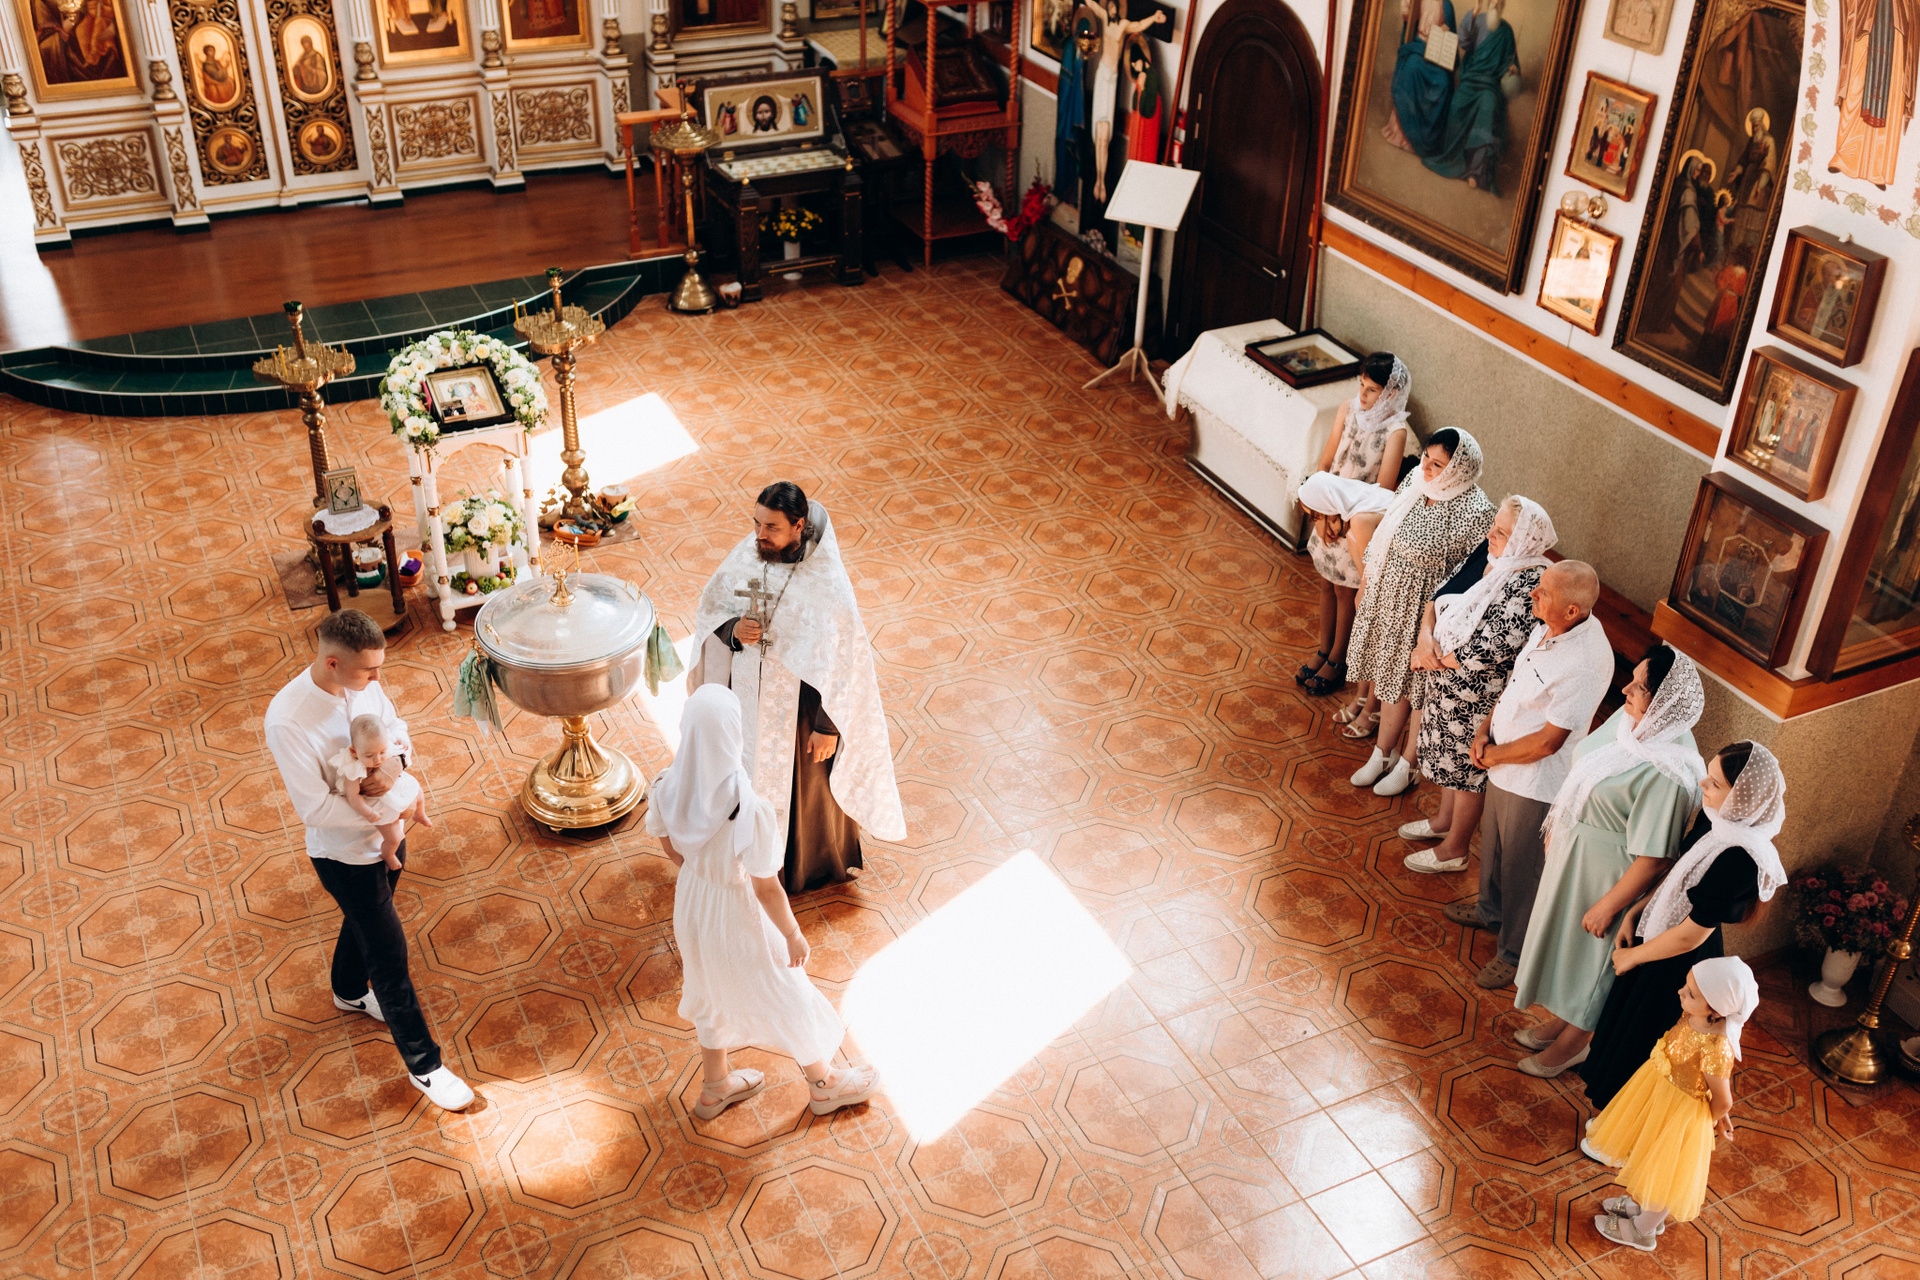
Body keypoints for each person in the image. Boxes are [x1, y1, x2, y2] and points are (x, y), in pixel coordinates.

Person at [262, 609, 473, 1110]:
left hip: (387, 837)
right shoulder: (288, 720)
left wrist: (396, 765)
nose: (378, 679)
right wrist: (391, 808)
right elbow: (314, 808)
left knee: (365, 922)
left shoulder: (363, 683)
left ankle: (348, 990)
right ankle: (426, 1067)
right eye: (369, 670)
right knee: (389, 955)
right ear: (332, 662)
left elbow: (396, 727)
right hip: (343, 857)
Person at [650, 685, 881, 1119]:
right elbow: (766, 888)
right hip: (739, 915)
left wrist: (703, 871)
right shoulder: (748, 810)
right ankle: (825, 1084)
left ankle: (715, 1087)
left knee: (707, 988)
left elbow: (671, 849)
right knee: (786, 991)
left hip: (693, 906)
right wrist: (792, 934)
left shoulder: (665, 786)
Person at [690, 482, 905, 893]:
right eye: (756, 523)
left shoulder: (826, 581)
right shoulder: (749, 554)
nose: (760, 535)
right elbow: (711, 610)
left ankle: (797, 868)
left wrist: (827, 726)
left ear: (799, 526)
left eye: (771, 527)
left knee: (805, 794)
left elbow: (846, 660)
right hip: (746, 695)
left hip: (801, 710)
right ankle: (742, 854)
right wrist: (733, 629)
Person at [1508, 646, 1706, 1077]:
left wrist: (1608, 907)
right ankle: (1563, 1022)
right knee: (1568, 953)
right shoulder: (1633, 723)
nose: (1625, 690)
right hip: (1576, 861)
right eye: (1631, 679)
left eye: (1639, 687)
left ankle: (1573, 1045)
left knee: (1594, 965)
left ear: (1665, 702)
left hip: (1610, 875)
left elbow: (1654, 858)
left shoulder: (1668, 772)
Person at [1577, 741, 1785, 1109]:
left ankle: (1619, 1119)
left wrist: (1634, 957)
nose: (1703, 784)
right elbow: (1677, 873)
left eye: (1715, 783)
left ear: (1743, 799)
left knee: (1642, 1039)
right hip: (1655, 932)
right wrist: (1635, 911)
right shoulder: (1713, 817)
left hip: (1678, 959)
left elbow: (1690, 935)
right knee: (1620, 1023)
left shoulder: (1742, 858)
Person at [1442, 560, 1613, 989]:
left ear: (1572, 610)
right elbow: (1516, 686)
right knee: (1495, 849)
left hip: (1536, 781)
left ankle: (1514, 952)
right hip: (1503, 762)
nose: (1533, 594)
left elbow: (1548, 742)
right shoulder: (1549, 626)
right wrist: (1485, 729)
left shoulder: (1586, 660)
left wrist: (1493, 755)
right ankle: (1489, 911)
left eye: (1544, 592)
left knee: (1523, 869)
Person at [1401, 495, 1556, 873]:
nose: (1491, 535)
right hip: (1448, 682)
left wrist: (1428, 658)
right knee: (1450, 763)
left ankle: (1455, 849)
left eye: (1502, 531)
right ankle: (1443, 822)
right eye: (1494, 526)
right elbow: (1444, 598)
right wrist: (1427, 640)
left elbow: (1495, 647)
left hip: (1479, 695)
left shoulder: (1531, 580)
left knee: (1468, 771)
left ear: (1524, 538)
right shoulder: (1494, 559)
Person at [1345, 428, 1496, 798]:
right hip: (1392, 595)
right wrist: (1369, 581)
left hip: (1428, 609)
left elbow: (1473, 573)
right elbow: (1386, 532)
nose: (1426, 467)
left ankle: (1408, 764)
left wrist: (1438, 618)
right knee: (1390, 676)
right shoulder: (1416, 481)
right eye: (1426, 457)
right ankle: (1383, 752)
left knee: (1418, 689)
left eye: (1437, 464)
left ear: (1459, 468)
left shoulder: (1476, 511)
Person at [1584, 956, 1758, 1252]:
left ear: (1715, 1011)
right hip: (1661, 1095)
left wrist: (1712, 1120)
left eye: (1690, 993)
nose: (1680, 992)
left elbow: (1723, 1099)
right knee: (1649, 1157)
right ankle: (1644, 1209)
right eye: (1685, 986)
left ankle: (1643, 1229)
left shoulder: (1717, 1048)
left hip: (1682, 1114)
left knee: (1667, 1172)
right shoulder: (1693, 1015)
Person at [1296, 353, 1412, 700]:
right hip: (1327, 516)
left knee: (1345, 592)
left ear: (1390, 393)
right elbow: (1326, 463)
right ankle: (1323, 648)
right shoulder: (1347, 409)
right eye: (1361, 385)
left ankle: (1338, 658)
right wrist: (1321, 515)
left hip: (1354, 525)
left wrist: (1341, 521)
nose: (1362, 394)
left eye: (1372, 389)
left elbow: (1382, 493)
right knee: (1325, 584)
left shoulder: (1396, 432)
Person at [1421, 0, 1520, 192]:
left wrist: (1513, 69)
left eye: (1500, 1)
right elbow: (1464, 42)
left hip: (1489, 85)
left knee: (1489, 107)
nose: (1496, 4)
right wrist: (1473, 13)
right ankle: (1453, 160)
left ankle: (1475, 172)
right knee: (1456, 105)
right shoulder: (1477, 20)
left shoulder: (1506, 31)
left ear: (1503, 5)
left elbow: (1510, 62)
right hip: (1470, 79)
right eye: (1493, 1)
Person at [1075, 0, 1166, 200]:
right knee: (1098, 130)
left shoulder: (1123, 25)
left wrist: (1154, 17)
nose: (1111, 9)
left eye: (1114, 6)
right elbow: (1092, 4)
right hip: (1102, 74)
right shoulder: (1104, 19)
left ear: (1119, 8)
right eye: (1109, 6)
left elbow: (1139, 25)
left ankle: (1102, 181)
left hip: (1113, 80)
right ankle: (1097, 180)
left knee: (1105, 133)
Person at [331, 713, 434, 869]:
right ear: (354, 752)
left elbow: (400, 747)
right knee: (395, 838)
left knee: (418, 790)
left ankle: (419, 814)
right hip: (379, 804)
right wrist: (368, 812)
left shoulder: (382, 745)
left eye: (382, 752)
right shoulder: (353, 770)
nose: (377, 759)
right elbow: (353, 797)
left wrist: (400, 744)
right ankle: (388, 854)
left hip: (394, 786)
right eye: (369, 756)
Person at [1383, 0, 1457, 156]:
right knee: (1411, 68)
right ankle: (1404, 134)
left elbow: (1450, 32)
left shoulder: (1446, 5)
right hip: (1418, 47)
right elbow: (1407, 17)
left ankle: (1428, 140)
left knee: (1443, 82)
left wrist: (1443, 30)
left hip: (1435, 52)